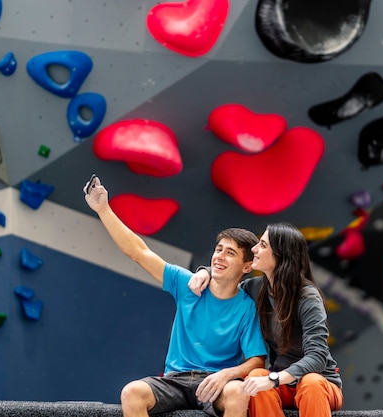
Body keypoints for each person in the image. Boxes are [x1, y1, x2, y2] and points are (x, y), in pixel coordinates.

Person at [83, 175, 267, 417]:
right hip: (174, 380)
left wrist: (226, 374)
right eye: (218, 249)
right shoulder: (187, 283)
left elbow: (257, 361)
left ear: (246, 267)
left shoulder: (247, 306)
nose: (219, 256)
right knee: (131, 392)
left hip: (216, 383)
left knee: (238, 392)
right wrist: (103, 209)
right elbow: (139, 252)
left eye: (230, 253)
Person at [190, 222, 343, 417]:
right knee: (255, 377)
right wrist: (206, 271)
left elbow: (318, 356)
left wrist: (275, 378)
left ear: (280, 256)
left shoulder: (307, 298)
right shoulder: (255, 288)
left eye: (262, 245)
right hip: (282, 385)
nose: (254, 249)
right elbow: (227, 284)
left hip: (320, 385)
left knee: (310, 382)